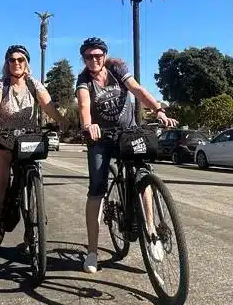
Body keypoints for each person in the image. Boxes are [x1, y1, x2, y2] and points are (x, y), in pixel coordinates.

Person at [75, 37, 177, 273]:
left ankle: (151, 233)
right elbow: (83, 105)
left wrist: (159, 111)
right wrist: (88, 125)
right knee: (97, 190)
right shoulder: (83, 80)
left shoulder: (117, 69)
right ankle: (92, 251)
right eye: (89, 56)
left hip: (128, 133)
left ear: (104, 55)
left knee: (144, 179)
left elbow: (137, 89)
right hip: (100, 138)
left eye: (98, 55)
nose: (94, 60)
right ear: (84, 58)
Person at [0, 45, 61, 246]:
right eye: (12, 60)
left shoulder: (34, 84)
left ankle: (32, 227)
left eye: (21, 60)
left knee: (29, 177)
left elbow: (47, 105)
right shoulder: (1, 85)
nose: (16, 63)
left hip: (26, 140)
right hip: (1, 138)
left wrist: (63, 121)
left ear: (27, 63)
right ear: (7, 63)